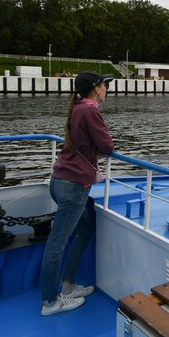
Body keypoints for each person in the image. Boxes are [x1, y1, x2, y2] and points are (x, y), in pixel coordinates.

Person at [39, 70, 114, 316]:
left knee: (84, 231)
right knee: (57, 244)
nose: (107, 89)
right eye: (105, 85)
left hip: (59, 180)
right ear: (96, 88)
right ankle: (50, 301)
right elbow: (107, 146)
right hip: (73, 186)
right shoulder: (90, 111)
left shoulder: (78, 107)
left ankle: (68, 286)